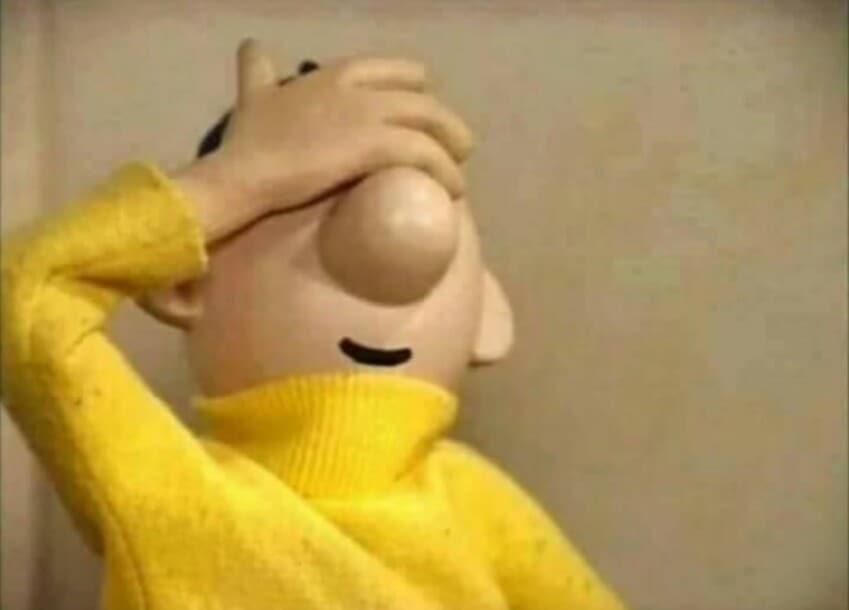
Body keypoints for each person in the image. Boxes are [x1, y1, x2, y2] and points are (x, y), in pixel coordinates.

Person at [1, 39, 626, 609]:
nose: (400, 233)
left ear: (487, 313)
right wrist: (241, 179)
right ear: (181, 282)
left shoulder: (480, 504)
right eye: (309, 200)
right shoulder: (164, 490)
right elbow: (29, 293)